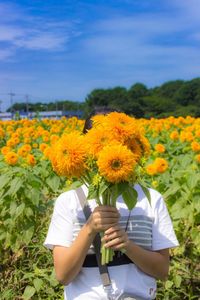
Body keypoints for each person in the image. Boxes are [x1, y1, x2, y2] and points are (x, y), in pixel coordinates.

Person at [44, 108, 179, 300]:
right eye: (100, 141)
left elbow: (162, 271)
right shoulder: (69, 202)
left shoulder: (151, 199)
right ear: (86, 146)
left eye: (114, 140)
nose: (107, 147)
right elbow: (63, 275)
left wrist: (128, 246)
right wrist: (89, 229)